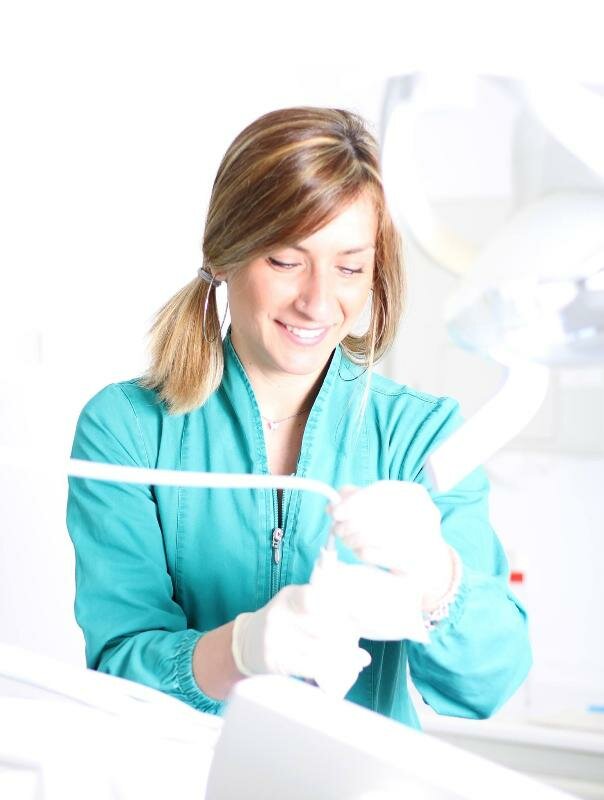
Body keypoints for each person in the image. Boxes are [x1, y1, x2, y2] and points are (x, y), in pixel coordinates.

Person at [66, 106, 531, 727]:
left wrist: (435, 575)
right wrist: (237, 651)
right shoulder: (127, 429)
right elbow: (118, 670)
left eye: (349, 267)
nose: (317, 301)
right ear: (225, 255)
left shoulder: (421, 439)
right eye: (286, 260)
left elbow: (489, 684)